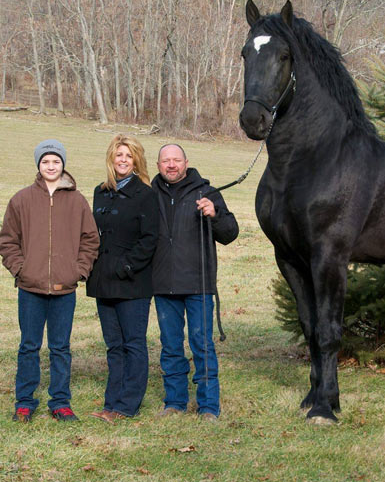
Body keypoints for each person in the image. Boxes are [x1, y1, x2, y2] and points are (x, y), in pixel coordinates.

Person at [0, 139, 99, 422]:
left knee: (60, 347)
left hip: (64, 288)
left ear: (63, 164)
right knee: (29, 346)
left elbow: (90, 240)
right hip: (30, 288)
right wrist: (20, 269)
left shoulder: (77, 201)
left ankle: (60, 401)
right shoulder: (21, 199)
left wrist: (78, 271)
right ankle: (24, 401)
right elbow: (8, 240)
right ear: (38, 165)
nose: (51, 166)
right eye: (45, 161)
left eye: (56, 161)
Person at [152, 144, 239, 421]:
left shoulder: (207, 192)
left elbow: (230, 233)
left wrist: (215, 214)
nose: (171, 165)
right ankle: (175, 402)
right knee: (170, 346)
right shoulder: (149, 194)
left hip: (199, 284)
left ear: (186, 162)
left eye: (176, 160)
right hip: (163, 284)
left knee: (202, 345)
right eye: (166, 161)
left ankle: (208, 406)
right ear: (158, 165)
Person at [87, 134, 158, 423]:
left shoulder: (146, 194)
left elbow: (150, 239)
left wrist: (127, 267)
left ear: (136, 160)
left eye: (129, 156)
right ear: (111, 159)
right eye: (119, 155)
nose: (123, 160)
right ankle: (111, 403)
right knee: (113, 345)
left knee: (133, 343)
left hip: (133, 282)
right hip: (103, 280)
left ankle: (127, 405)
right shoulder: (100, 191)